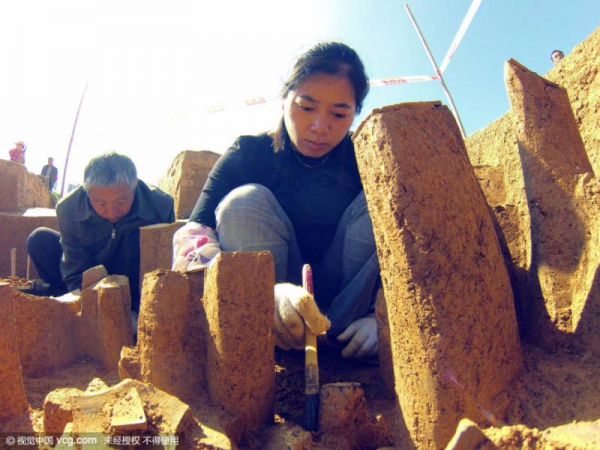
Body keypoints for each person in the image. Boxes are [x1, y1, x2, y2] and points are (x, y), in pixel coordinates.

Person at [172, 42, 380, 360]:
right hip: (271, 316)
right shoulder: (249, 153)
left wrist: (386, 316)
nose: (320, 126)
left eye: (339, 114)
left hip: (350, 316)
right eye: (306, 107)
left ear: (355, 114)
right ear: (284, 100)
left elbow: (416, 240)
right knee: (243, 203)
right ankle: (274, 330)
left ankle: (334, 339)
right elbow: (192, 237)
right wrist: (260, 293)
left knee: (383, 203)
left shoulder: (364, 157)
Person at [27, 152, 175, 314]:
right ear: (87, 192)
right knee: (40, 239)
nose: (112, 212)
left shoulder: (160, 206)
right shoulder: (68, 208)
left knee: (135, 240)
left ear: (135, 185)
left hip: (131, 280)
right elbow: (74, 266)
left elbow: (163, 265)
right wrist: (87, 305)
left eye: (121, 202)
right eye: (101, 203)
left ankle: (134, 312)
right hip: (89, 276)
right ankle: (66, 311)